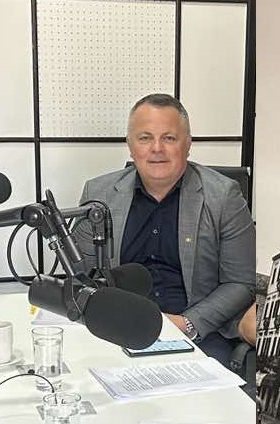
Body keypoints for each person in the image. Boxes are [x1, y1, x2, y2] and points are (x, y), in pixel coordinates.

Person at [74, 93, 255, 366]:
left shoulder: (223, 196)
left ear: (188, 144)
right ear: (130, 146)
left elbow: (240, 282)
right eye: (145, 138)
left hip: (198, 331)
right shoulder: (99, 194)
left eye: (169, 138)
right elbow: (83, 276)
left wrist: (188, 323)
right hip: (119, 329)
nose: (157, 148)